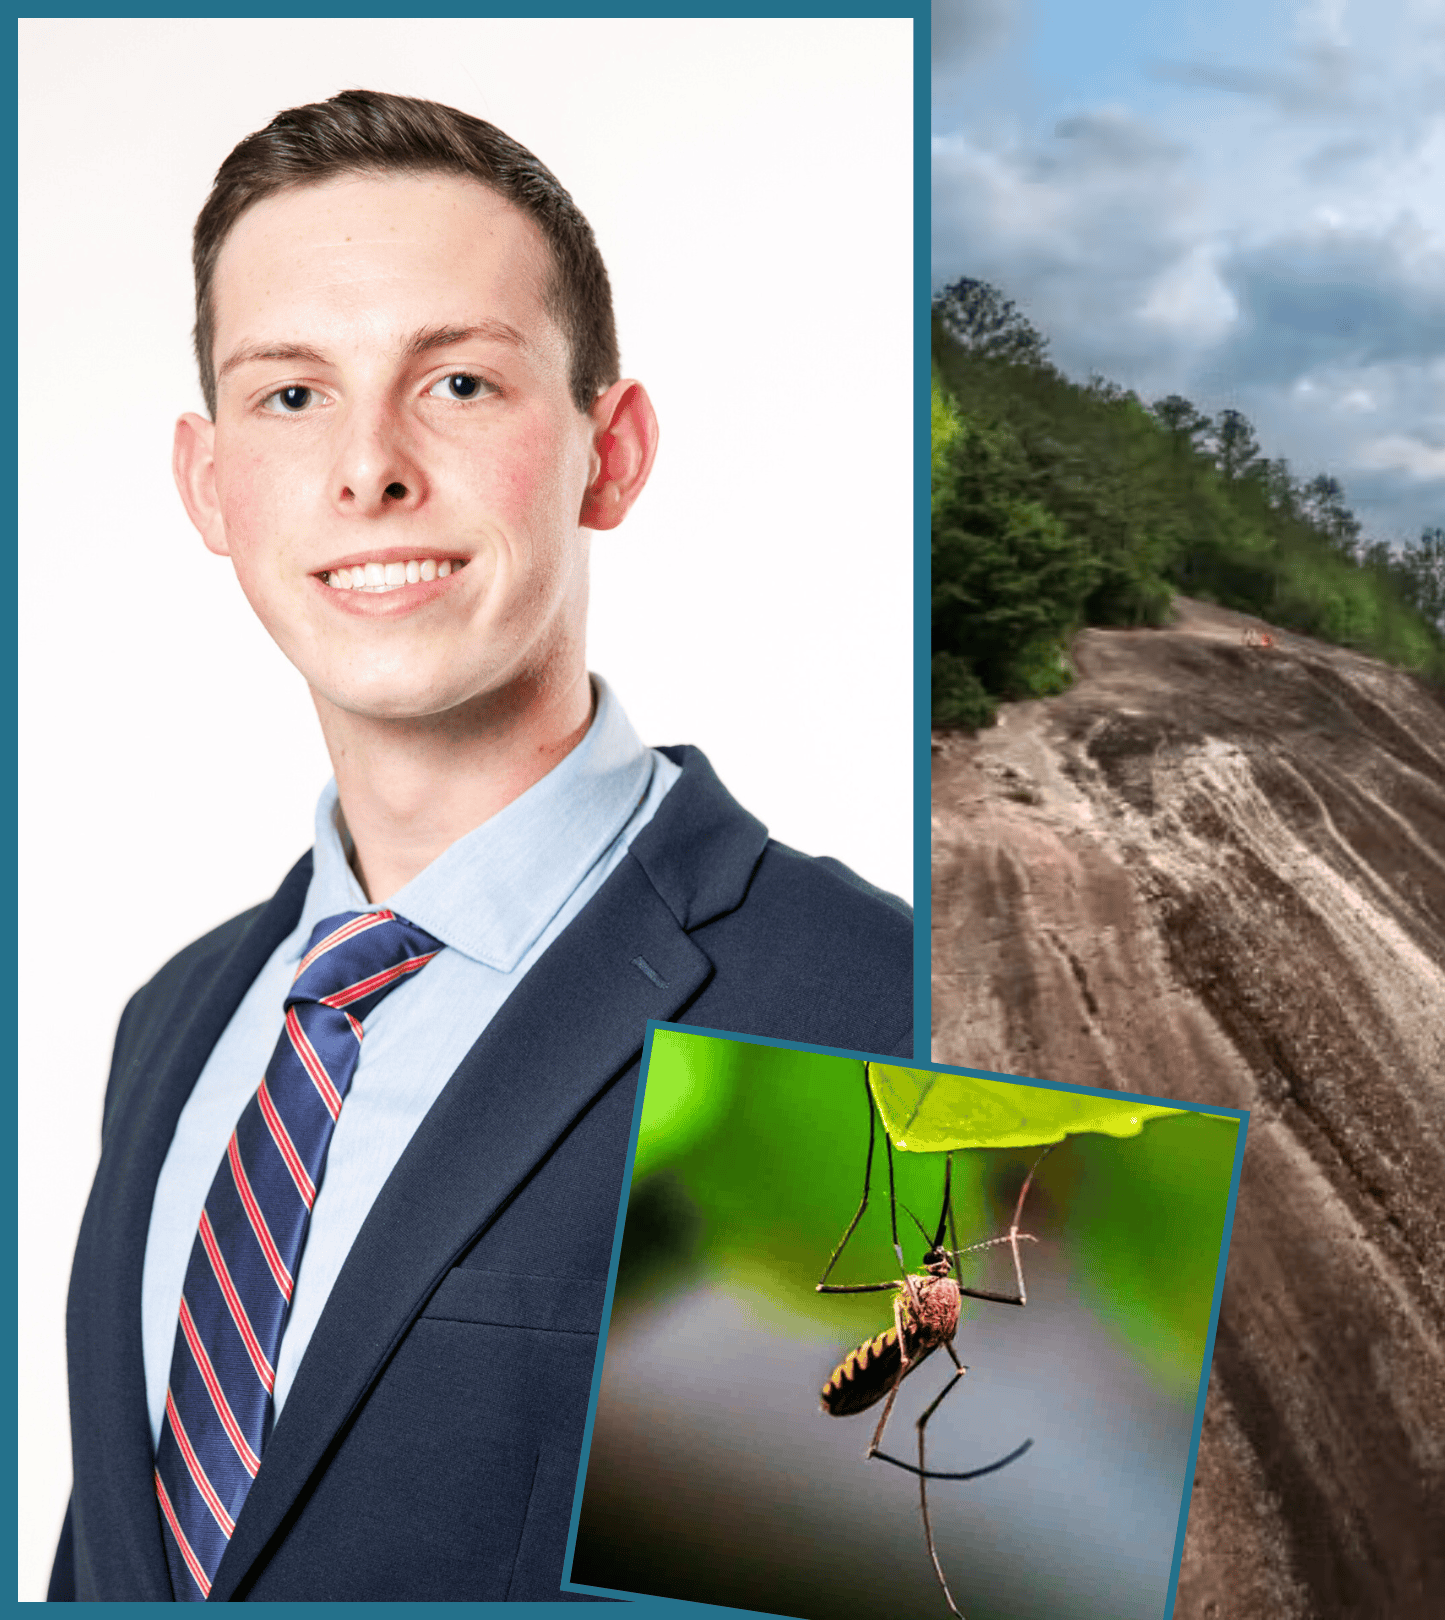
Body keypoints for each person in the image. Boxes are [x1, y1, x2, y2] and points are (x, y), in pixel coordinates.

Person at [50, 89, 913, 1602]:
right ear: (208, 484)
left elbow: (940, 1553)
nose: (368, 467)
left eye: (456, 382)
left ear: (612, 452)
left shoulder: (880, 1007)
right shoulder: (171, 1026)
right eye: (291, 396)